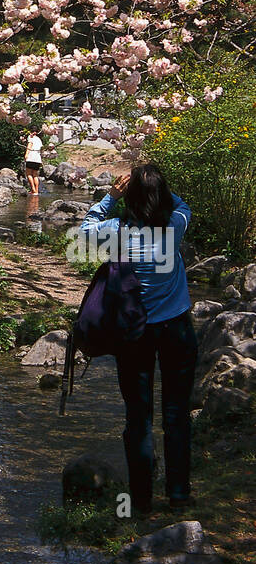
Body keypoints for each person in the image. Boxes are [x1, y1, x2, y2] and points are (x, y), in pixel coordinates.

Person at [78, 164, 195, 516]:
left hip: (134, 333)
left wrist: (111, 197)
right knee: (176, 414)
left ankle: (141, 501)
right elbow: (183, 205)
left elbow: (84, 233)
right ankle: (178, 495)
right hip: (175, 328)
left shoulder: (117, 231)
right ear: (161, 197)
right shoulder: (174, 227)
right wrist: (156, 190)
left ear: (130, 197)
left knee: (139, 417)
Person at [24, 130, 43, 195]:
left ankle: (33, 189)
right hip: (37, 158)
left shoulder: (30, 137)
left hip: (31, 157)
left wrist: (26, 154)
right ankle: (36, 191)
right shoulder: (39, 139)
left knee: (28, 174)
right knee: (35, 175)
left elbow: (29, 145)